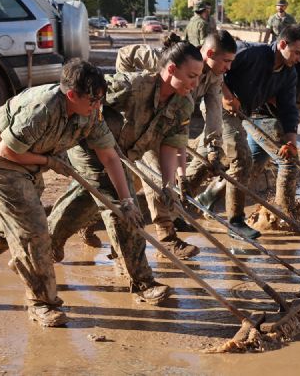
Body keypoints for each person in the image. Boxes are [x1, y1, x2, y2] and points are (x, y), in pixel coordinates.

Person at [0, 59, 144, 327]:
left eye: (101, 99)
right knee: (33, 231)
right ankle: (42, 303)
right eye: (92, 99)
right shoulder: (41, 108)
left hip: (29, 160)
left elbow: (110, 157)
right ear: (71, 95)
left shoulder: (91, 112)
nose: (97, 105)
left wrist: (126, 201)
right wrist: (51, 163)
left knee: (6, 226)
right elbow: (7, 152)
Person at [48, 42, 204, 269]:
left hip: (123, 156)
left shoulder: (184, 103)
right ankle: (141, 279)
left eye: (198, 77)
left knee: (83, 201)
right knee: (124, 208)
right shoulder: (133, 86)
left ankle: (49, 241)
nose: (195, 83)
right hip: (90, 148)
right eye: (191, 76)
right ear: (170, 69)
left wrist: (169, 184)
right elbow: (82, 97)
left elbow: (170, 146)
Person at [196, 25, 300, 237]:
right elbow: (219, 66)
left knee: (207, 154)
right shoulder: (252, 53)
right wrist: (226, 94)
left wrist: (291, 142)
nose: (299, 59)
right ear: (283, 44)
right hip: (218, 104)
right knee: (241, 158)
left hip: (242, 113)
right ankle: (236, 222)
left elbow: (288, 110)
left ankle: (197, 196)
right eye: (297, 53)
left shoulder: (289, 74)